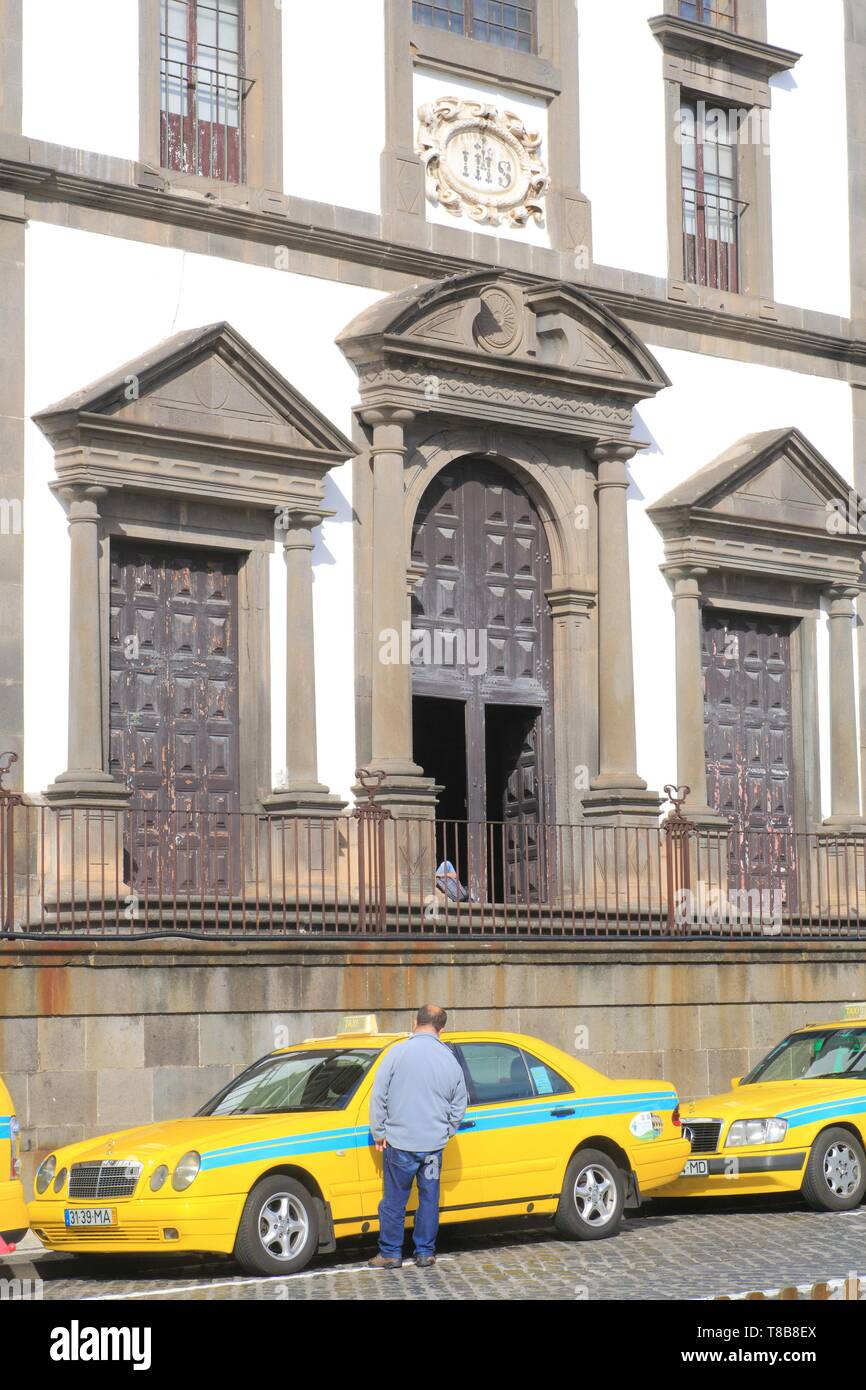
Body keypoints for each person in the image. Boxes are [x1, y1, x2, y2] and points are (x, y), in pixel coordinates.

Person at [367, 1003, 468, 1269]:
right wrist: (446, 1132)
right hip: (433, 1146)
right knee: (429, 1200)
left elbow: (379, 1095)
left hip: (400, 1143)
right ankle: (424, 1252)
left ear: (415, 1022)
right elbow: (460, 1103)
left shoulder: (397, 1053)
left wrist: (379, 1132)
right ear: (441, 1029)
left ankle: (390, 1253)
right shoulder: (449, 1059)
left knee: (394, 1201)